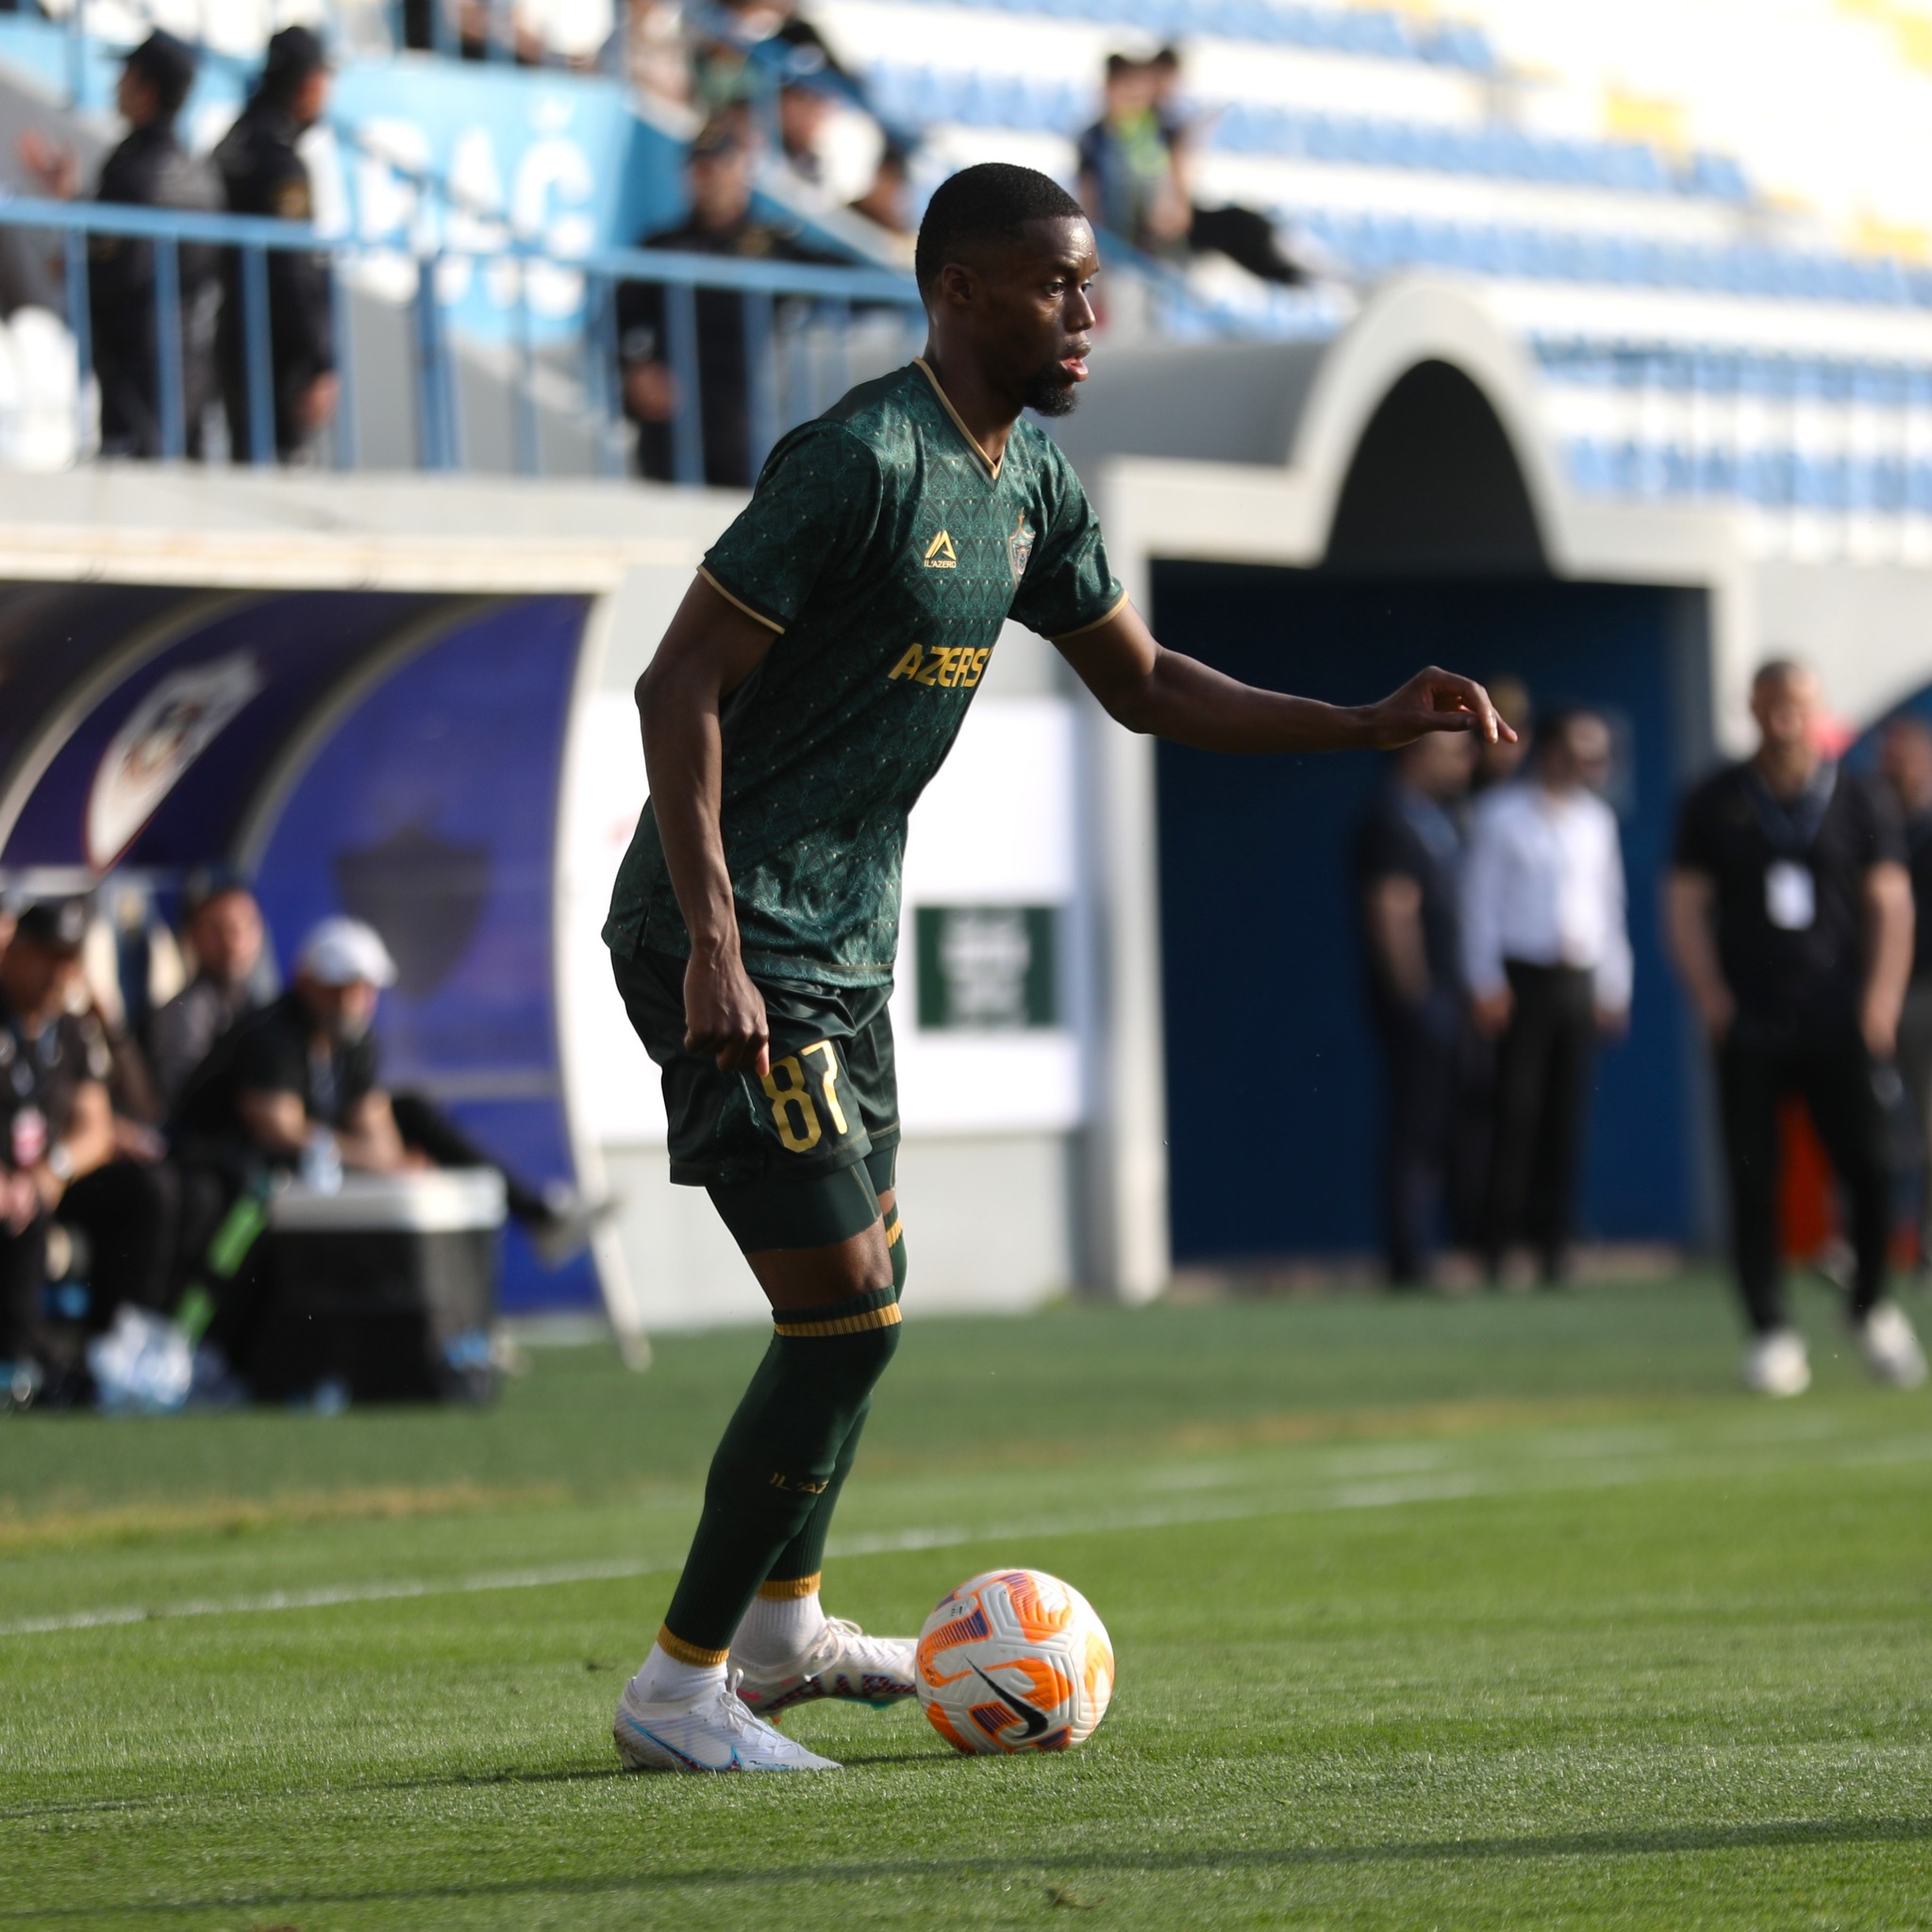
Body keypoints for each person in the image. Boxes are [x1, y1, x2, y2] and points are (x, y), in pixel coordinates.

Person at [599, 159, 1514, 1773]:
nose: (1089, 312)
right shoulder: (859, 461)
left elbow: (1146, 684)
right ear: (958, 291)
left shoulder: (1029, 483)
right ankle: (678, 1689)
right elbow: (676, 690)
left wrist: (1367, 719)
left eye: (1093, 284)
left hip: (844, 952)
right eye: (1057, 286)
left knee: (866, 1299)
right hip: (730, 941)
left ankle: (784, 1634)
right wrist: (718, 947)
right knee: (846, 1318)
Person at [1667, 660, 1924, 1394]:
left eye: (1797, 704)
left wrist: (1880, 1000)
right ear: (1751, 708)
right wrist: (1711, 997)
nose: (1785, 718)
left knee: (1870, 1166)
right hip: (1752, 1018)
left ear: (1818, 709)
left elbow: (1890, 902)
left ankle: (1871, 1305)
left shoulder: (1859, 795)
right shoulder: (1716, 797)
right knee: (1754, 1178)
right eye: (1771, 704)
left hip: (1840, 1015)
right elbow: (1684, 903)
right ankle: (1770, 1330)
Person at [1460, 709, 1631, 1286]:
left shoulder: (1596, 821)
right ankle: (1497, 1248)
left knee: (1567, 1116)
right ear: (1553, 752)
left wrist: (1614, 984)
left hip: (1577, 976)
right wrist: (1485, 980)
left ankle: (1556, 1245)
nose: (1593, 766)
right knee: (1515, 1112)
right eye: (1583, 753)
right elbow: (1479, 904)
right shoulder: (1500, 815)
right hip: (1520, 978)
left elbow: (1609, 906)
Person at [17, 32, 222, 458]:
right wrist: (73, 203)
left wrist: (69, 246)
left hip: (134, 371)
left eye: (125, 77)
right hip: (194, 368)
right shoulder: (200, 175)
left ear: (146, 91)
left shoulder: (132, 170)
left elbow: (103, 267)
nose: (115, 87)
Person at [617, 118, 835, 490]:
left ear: (742, 172)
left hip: (743, 424)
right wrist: (635, 370)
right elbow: (614, 324)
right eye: (700, 168)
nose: (709, 178)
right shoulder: (661, 248)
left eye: (720, 165)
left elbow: (843, 281)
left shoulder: (772, 248)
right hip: (670, 425)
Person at [1356, 730, 1480, 1285]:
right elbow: (1393, 910)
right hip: (1422, 1003)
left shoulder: (1443, 818)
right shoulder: (1390, 820)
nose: (1465, 762)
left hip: (1452, 997)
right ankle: (1408, 1258)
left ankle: (1456, 1247)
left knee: (1452, 1126)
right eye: (1452, 752)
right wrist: (1415, 994)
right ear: (1415, 753)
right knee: (1417, 1127)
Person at [0, 902, 117, 1406]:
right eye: (47, 957)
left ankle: (112, 1352)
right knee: (24, 1208)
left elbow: (96, 1128)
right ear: (14, 954)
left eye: (68, 959)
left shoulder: (70, 1030)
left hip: (40, 1178)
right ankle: (17, 1363)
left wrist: (56, 1168)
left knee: (150, 1193)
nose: (59, 972)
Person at [213, 25, 339, 463]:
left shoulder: (234, 142)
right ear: (307, 85)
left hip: (231, 336)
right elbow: (293, 270)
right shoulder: (280, 161)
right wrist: (319, 360)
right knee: (282, 469)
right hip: (277, 350)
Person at [147, 867, 279, 1111]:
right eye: (218, 929)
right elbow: (185, 1102)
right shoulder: (185, 1012)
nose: (234, 942)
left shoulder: (269, 1005)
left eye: (245, 925)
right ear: (192, 935)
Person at [1878, 712, 1932, 1274]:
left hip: (1923, 988)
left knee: (1927, 1123)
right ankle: (1862, 1241)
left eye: (1903, 758)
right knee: (1873, 1122)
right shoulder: (1875, 825)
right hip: (1877, 990)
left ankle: (1927, 1241)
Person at [1075, 55, 1191, 263]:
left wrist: (1173, 212)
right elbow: (1088, 196)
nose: (1133, 98)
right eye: (1127, 90)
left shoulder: (1161, 133)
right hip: (1113, 244)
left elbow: (1178, 193)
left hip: (1157, 246)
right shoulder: (1094, 138)